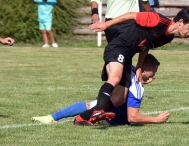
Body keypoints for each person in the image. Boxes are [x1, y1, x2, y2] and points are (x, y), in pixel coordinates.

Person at [73, 7, 189, 125]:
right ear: (180, 21)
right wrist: (106, 24)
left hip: (127, 55)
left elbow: (146, 46)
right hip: (119, 47)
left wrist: (140, 66)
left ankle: (81, 119)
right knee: (115, 77)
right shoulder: (157, 20)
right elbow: (131, 15)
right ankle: (98, 110)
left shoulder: (168, 38)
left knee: (119, 99)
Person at [31, 54, 170, 126]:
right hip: (109, 119)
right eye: (153, 72)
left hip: (105, 103)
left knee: (91, 105)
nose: (154, 76)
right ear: (144, 69)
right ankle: (87, 119)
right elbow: (132, 117)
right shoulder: (137, 88)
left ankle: (52, 117)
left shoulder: (127, 71)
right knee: (95, 107)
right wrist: (156, 119)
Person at [91, 0, 151, 101]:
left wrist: (150, 19)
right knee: (121, 55)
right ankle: (118, 84)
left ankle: (116, 83)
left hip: (130, 24)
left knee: (124, 54)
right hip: (111, 25)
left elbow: (145, 1)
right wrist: (94, 14)